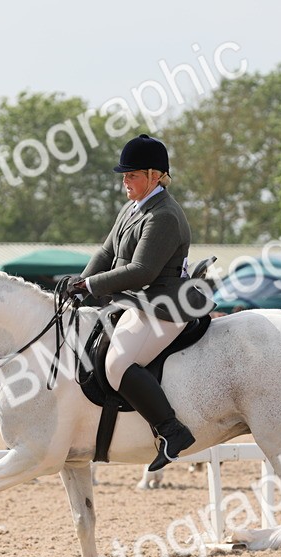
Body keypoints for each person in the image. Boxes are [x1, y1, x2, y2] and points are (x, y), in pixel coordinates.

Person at [68, 134, 209, 471]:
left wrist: (89, 284)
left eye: (131, 176)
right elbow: (106, 252)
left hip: (165, 305)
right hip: (136, 301)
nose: (125, 183)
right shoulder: (133, 208)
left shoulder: (164, 216)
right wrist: (79, 285)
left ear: (155, 175)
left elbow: (141, 271)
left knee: (116, 365)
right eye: (124, 177)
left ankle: (172, 431)